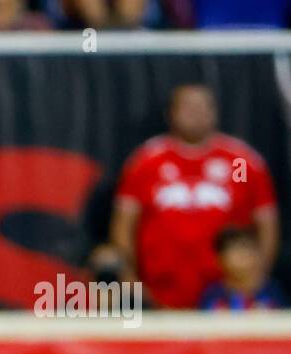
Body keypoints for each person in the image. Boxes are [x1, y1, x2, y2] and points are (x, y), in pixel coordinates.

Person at [109, 84, 279, 309]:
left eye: (203, 107)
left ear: (214, 112)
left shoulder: (240, 161)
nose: (196, 113)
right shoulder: (147, 161)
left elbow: (266, 222)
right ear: (171, 113)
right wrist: (132, 280)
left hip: (228, 296)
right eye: (188, 107)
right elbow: (123, 225)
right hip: (161, 291)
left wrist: (257, 279)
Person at [199, 226, 285, 311]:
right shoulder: (212, 295)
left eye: (246, 248)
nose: (241, 256)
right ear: (219, 259)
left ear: (257, 253)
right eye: (233, 250)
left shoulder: (275, 292)